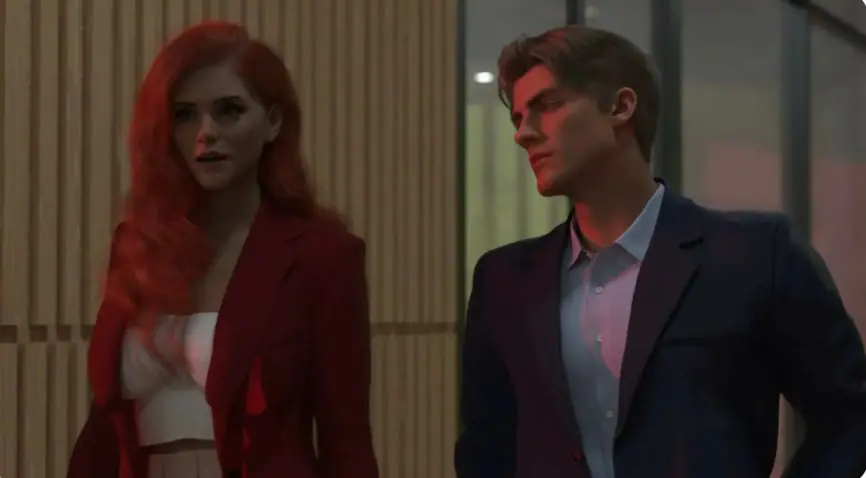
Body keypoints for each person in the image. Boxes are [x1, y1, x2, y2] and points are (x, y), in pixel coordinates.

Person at [454, 25, 866, 478]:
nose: (523, 134)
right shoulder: (504, 281)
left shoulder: (755, 256)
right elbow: (486, 449)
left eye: (547, 106)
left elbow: (849, 413)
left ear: (620, 107)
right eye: (517, 118)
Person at [66, 21, 379, 478]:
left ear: (273, 121)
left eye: (229, 111)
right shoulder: (138, 245)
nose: (205, 133)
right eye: (184, 114)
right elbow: (104, 423)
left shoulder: (322, 257)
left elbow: (345, 436)